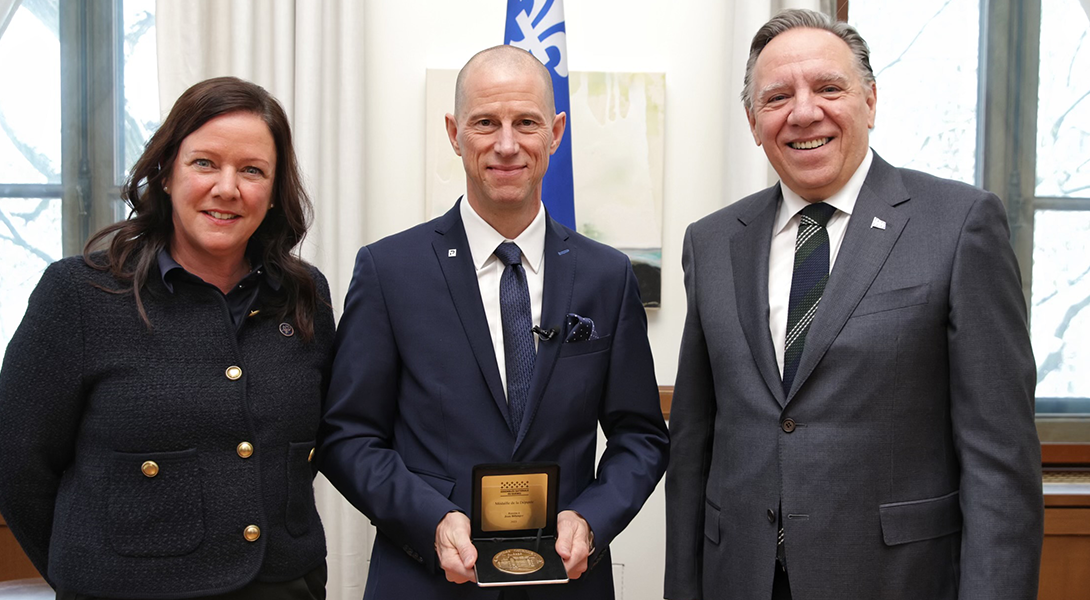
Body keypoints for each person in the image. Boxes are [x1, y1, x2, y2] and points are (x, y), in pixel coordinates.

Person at [664, 9, 1042, 600]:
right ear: (753, 120)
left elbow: (1001, 461)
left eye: (829, 88)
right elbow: (692, 446)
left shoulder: (958, 225)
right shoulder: (711, 243)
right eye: (778, 96)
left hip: (894, 580)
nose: (805, 111)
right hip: (739, 576)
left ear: (870, 101)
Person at [317, 45, 669, 600]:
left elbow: (641, 436)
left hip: (566, 584)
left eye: (526, 122)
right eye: (486, 123)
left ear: (555, 132)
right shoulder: (388, 271)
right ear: (455, 132)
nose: (507, 144)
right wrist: (430, 521)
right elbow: (348, 436)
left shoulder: (609, 275)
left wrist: (592, 518)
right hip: (426, 581)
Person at [0, 77, 334, 599]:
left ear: (272, 193)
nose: (228, 188)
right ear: (165, 174)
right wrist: (86, 574)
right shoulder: (78, 294)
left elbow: (313, 447)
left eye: (252, 170)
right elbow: (19, 466)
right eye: (205, 163)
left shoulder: (305, 292)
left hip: (284, 585)